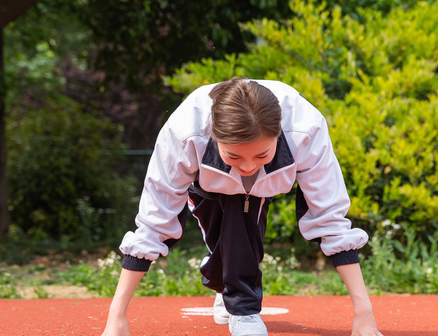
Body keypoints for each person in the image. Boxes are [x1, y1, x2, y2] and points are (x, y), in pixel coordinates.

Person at [101, 78, 383, 336]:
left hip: (261, 191)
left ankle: (244, 307)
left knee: (243, 223)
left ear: (279, 135)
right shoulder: (185, 131)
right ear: (213, 135)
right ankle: (220, 276)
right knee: (224, 243)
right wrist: (116, 317)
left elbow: (330, 218)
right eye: (234, 155)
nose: (248, 168)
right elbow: (155, 221)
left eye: (262, 154)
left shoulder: (306, 129)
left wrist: (364, 314)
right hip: (206, 184)